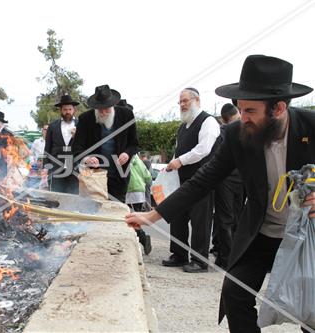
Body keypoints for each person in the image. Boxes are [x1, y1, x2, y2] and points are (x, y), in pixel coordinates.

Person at [126, 55, 315, 332]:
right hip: (261, 232)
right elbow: (203, 180)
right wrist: (153, 215)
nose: (242, 118)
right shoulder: (239, 133)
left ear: (278, 108)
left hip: (306, 236)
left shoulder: (311, 126)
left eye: (250, 110)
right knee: (234, 293)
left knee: (310, 308)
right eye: (240, 109)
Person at [162, 87, 220, 273]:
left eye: (185, 101)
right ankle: (178, 254)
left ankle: (200, 260)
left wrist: (180, 161)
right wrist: (172, 162)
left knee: (200, 221)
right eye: (180, 102)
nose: (182, 105)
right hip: (181, 180)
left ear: (197, 100)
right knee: (177, 216)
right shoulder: (183, 126)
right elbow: (178, 150)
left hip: (202, 179)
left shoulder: (208, 121)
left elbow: (204, 149)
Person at [73, 85, 139, 202]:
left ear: (113, 105)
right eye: (100, 109)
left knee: (116, 214)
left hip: (119, 176)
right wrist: (87, 158)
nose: (103, 112)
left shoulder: (126, 115)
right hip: (93, 178)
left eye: (106, 109)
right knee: (93, 213)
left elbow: (134, 143)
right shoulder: (85, 119)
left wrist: (127, 154)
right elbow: (76, 148)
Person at [211, 103, 244, 269]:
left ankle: (226, 256)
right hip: (233, 179)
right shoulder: (230, 132)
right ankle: (228, 258)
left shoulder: (222, 132)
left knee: (228, 219)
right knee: (230, 219)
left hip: (230, 180)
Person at [44, 95, 79, 194]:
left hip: (74, 166)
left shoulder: (80, 124)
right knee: (56, 194)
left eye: (70, 109)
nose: (67, 112)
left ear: (74, 110)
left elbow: (84, 145)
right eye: (65, 109)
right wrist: (46, 167)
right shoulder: (53, 126)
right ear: (60, 110)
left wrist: (77, 135)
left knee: (73, 195)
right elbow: (47, 147)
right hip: (56, 166)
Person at [126, 154, 152, 255]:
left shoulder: (127, 159)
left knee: (128, 220)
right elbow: (148, 177)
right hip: (139, 193)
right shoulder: (139, 160)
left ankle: (143, 239)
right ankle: (143, 239)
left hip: (130, 192)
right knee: (133, 219)